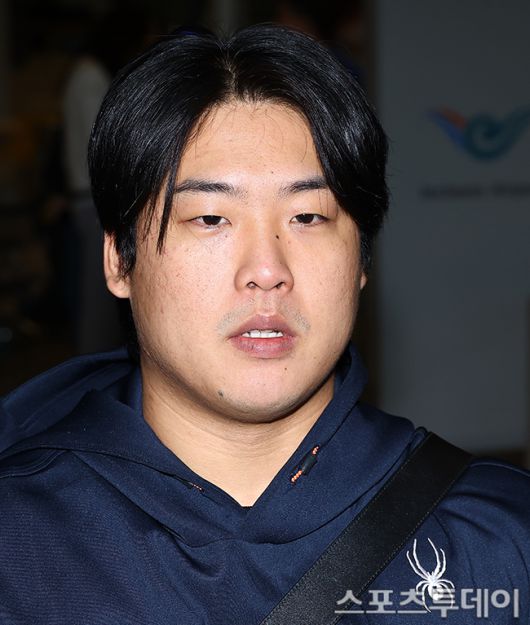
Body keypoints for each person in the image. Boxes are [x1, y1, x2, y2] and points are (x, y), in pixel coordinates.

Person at [0, 25, 528, 624]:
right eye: (210, 219)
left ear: (362, 261)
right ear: (120, 261)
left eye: (307, 216)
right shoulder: (21, 542)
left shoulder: (495, 537)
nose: (267, 270)